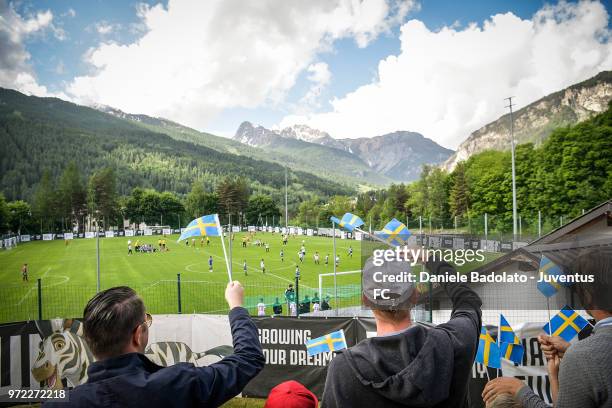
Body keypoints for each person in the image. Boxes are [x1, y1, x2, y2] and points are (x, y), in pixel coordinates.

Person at [44, 283, 264, 408]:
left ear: (89, 340)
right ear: (138, 335)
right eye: (145, 321)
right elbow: (248, 358)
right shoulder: (175, 386)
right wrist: (236, 307)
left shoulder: (60, 404)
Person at [322, 256, 482, 407]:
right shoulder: (453, 343)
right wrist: (429, 258)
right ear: (415, 295)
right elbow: (468, 301)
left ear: (364, 300)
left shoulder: (343, 369)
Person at [482, 248, 612, 408]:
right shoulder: (584, 356)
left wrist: (520, 391)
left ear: (588, 293)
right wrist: (558, 371)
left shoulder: (584, 357)